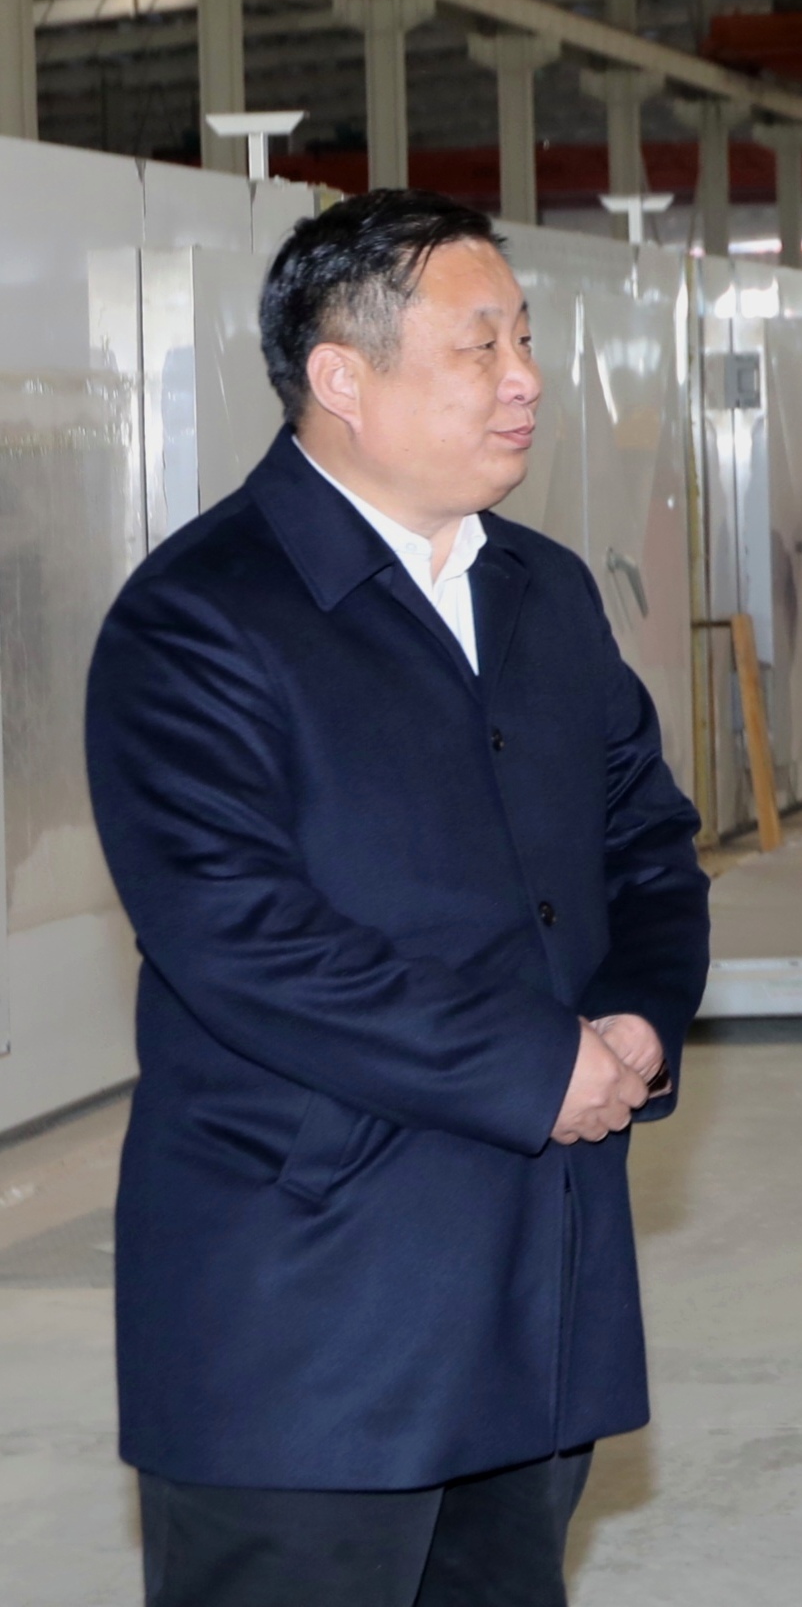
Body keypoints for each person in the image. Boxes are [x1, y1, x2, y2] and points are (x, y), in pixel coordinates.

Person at [84, 190, 710, 1607]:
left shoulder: (542, 594)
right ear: (342, 377)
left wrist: (636, 1012)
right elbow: (243, 937)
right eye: (478, 346)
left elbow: (646, 837)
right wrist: (540, 1063)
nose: (524, 378)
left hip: (534, 1282)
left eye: (524, 339)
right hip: (310, 1309)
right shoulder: (202, 619)